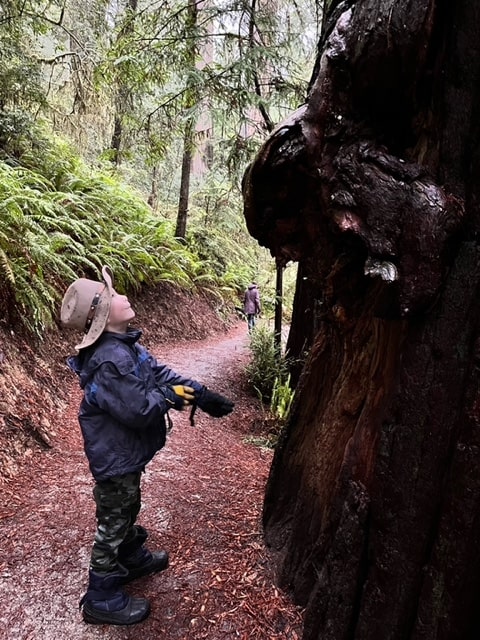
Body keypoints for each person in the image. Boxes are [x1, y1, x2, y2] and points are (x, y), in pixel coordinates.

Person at [60, 265, 234, 626]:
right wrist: (171, 396)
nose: (123, 296)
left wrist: (198, 392)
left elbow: (158, 373)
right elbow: (138, 409)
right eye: (114, 295)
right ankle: (101, 595)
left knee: (128, 503)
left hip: (125, 453)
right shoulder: (110, 359)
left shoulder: (125, 346)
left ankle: (129, 556)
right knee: (114, 517)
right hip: (114, 457)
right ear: (104, 315)